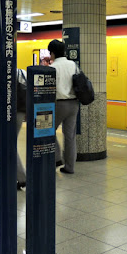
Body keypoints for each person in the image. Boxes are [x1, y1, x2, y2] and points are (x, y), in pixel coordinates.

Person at [0, 68, 28, 190]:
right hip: (21, 112)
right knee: (5, 142)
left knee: (8, 144)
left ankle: (22, 177)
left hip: (10, 113)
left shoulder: (3, 72)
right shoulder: (22, 72)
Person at [48, 39, 79, 175]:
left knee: (49, 131)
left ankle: (56, 158)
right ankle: (70, 167)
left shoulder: (53, 67)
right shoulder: (73, 64)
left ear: (53, 53)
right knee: (70, 136)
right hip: (74, 104)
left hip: (59, 104)